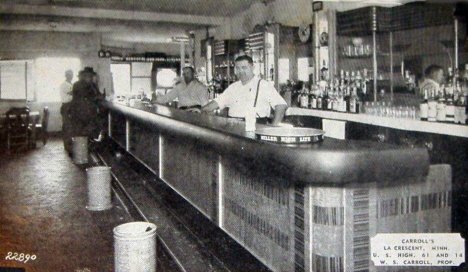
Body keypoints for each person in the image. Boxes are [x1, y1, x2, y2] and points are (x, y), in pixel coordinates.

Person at [197, 55, 288, 126]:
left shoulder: (263, 84)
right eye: (237, 68)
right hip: (233, 126)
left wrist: (274, 127)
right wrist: (200, 110)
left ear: (252, 68)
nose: (241, 71)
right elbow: (217, 102)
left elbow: (281, 105)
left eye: (244, 68)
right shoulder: (233, 87)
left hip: (255, 126)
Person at [69, 67, 103, 141]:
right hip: (80, 112)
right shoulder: (77, 85)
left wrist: (98, 95)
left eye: (91, 76)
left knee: (94, 128)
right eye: (88, 76)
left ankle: (90, 144)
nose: (90, 78)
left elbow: (98, 95)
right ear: (84, 76)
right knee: (81, 132)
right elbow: (83, 96)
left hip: (90, 112)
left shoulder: (93, 85)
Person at [59, 70, 74, 154]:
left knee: (69, 126)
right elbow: (74, 93)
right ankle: (67, 146)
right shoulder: (65, 85)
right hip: (66, 107)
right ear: (66, 75)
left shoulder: (70, 84)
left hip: (69, 106)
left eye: (71, 75)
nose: (70, 76)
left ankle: (68, 145)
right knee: (67, 126)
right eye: (68, 75)